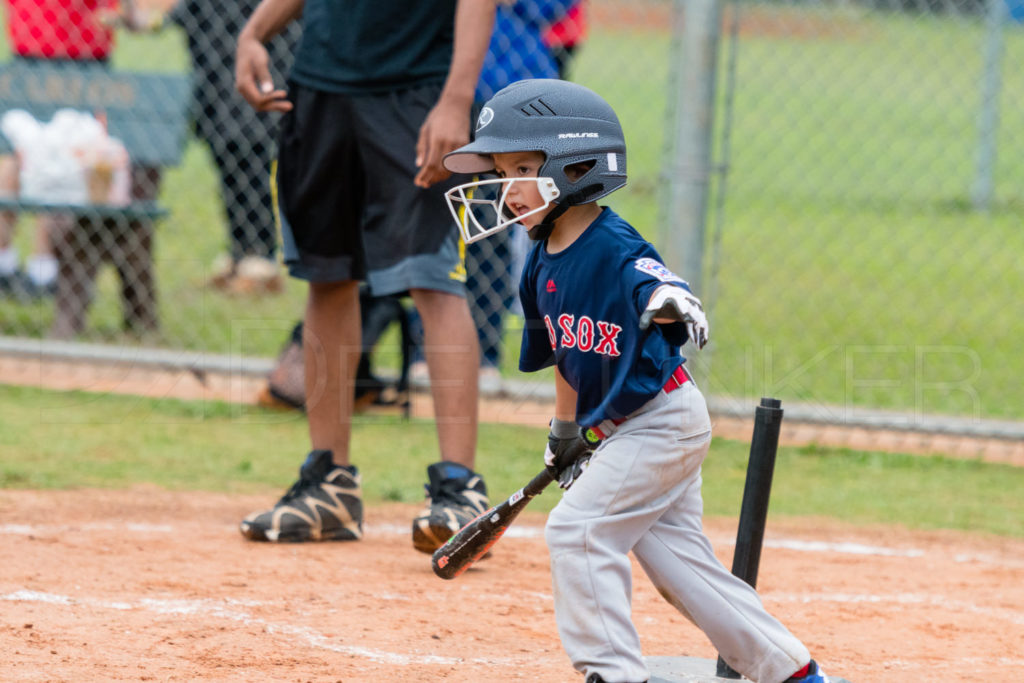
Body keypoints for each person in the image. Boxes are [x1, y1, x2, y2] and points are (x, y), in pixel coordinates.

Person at [442, 79, 835, 683]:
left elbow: (655, 281)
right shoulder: (540, 261)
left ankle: (611, 673)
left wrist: (673, 301)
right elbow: (564, 359)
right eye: (501, 170)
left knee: (576, 535)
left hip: (661, 421)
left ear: (575, 167)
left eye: (522, 167)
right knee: (683, 572)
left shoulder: (611, 244)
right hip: (624, 430)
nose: (508, 188)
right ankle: (794, 673)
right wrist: (564, 432)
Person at [233, 0, 496, 552]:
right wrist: (254, 32)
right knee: (326, 276)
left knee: (434, 277)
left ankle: (460, 490)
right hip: (319, 88)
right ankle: (330, 487)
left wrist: (455, 100)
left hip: (418, 91)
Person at [409, 0, 575, 394]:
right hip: (434, 83)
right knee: (430, 225)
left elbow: (557, 8)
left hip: (511, 87)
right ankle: (424, 350)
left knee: (492, 227)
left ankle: (483, 353)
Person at [168, 0, 299, 295]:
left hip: (261, 43)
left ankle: (260, 260)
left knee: (249, 148)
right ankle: (239, 253)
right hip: (215, 53)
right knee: (224, 147)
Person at [0, 0, 119, 298]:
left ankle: (38, 268)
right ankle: (25, 266)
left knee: (55, 160)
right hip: (45, 52)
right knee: (26, 157)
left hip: (73, 55)